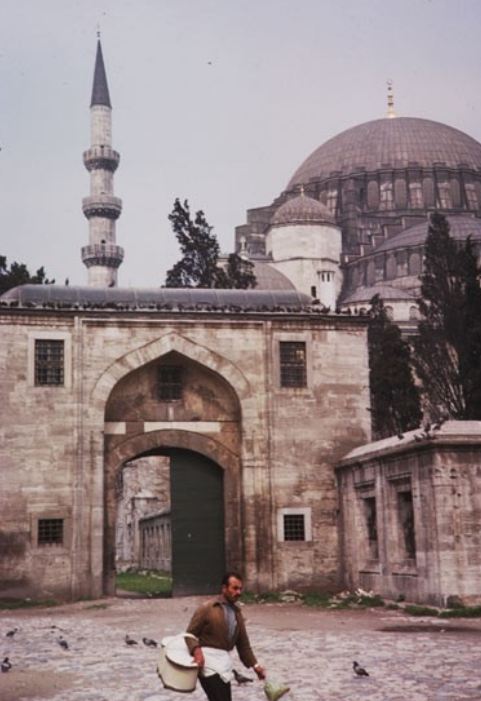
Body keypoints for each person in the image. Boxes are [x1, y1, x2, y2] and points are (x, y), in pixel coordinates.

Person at [186, 571, 266, 701]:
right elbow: (189, 634)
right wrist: (196, 651)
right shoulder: (207, 608)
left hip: (224, 664)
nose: (238, 592)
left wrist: (255, 666)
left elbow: (243, 644)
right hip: (208, 664)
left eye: (240, 589)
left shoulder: (237, 614)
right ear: (224, 588)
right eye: (234, 588)